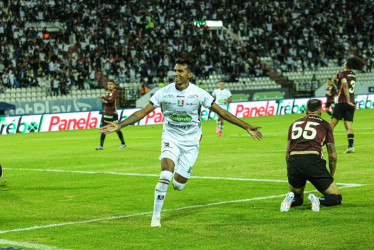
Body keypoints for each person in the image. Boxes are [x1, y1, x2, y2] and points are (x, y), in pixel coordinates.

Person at [99, 59, 263, 227]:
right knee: (165, 174)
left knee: (178, 185)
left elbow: (223, 113)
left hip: (191, 144)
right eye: (175, 70)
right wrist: (119, 125)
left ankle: (179, 171)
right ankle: (155, 218)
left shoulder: (199, 94)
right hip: (171, 139)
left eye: (180, 71)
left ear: (189, 75)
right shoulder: (164, 92)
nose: (176, 74)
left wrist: (246, 126)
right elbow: (142, 113)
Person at [280, 99, 342, 212]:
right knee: (336, 197)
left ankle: (290, 199)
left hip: (294, 161)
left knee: (298, 199)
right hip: (313, 161)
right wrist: (331, 174)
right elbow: (332, 154)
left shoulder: (294, 124)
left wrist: (291, 171)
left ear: (306, 110)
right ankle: (318, 200)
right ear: (321, 110)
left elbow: (287, 153)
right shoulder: (325, 124)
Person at [330, 56, 366, 153]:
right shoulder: (353, 75)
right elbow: (341, 86)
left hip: (342, 102)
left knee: (331, 125)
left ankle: (325, 146)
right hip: (351, 103)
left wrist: (348, 100)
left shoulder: (342, 74)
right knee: (348, 126)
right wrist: (335, 81)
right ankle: (351, 146)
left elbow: (345, 87)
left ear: (346, 65)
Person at [96, 81, 126, 150]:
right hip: (106, 114)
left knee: (117, 129)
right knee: (104, 129)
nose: (109, 85)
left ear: (114, 86)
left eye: (111, 84)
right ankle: (101, 146)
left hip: (113, 114)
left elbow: (111, 100)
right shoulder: (107, 92)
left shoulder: (115, 93)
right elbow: (107, 101)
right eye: (109, 84)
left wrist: (103, 97)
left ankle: (123, 143)